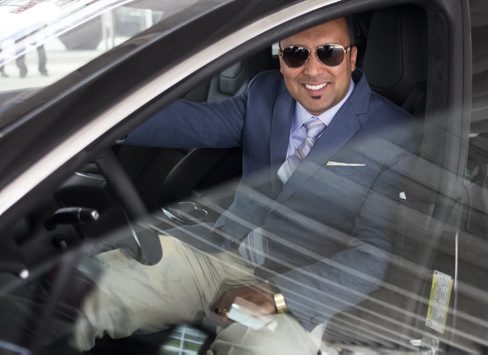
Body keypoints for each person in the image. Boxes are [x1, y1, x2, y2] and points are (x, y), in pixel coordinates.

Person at [70, 16, 418, 354]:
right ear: (281, 60)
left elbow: (372, 255)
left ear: (352, 57)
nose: (313, 70)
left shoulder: (394, 132)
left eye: (329, 53)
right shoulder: (264, 93)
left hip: (298, 288)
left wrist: (279, 295)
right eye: (296, 54)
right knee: (91, 291)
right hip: (220, 252)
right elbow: (193, 124)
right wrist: (102, 115)